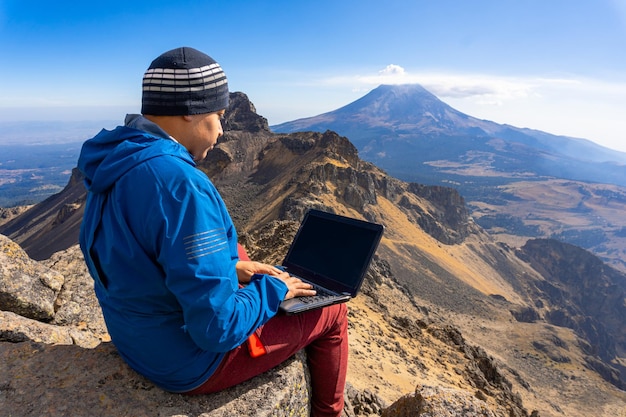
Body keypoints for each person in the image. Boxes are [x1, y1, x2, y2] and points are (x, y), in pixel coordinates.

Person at [77, 46, 348, 417]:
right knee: (332, 313)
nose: (221, 131)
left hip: (134, 340)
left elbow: (136, 257)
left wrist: (230, 270)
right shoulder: (180, 185)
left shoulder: (114, 160)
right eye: (219, 115)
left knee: (242, 260)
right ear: (190, 109)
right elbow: (215, 330)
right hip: (186, 363)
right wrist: (274, 290)